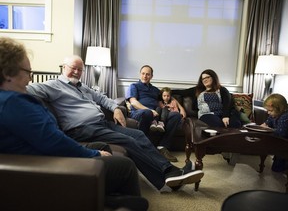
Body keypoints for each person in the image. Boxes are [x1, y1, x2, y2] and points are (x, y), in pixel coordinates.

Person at [0, 37, 150, 211]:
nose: (30, 78)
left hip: (48, 152)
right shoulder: (14, 103)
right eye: (27, 71)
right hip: (50, 164)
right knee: (125, 166)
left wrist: (114, 110)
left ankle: (105, 198)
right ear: (7, 74)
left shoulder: (11, 100)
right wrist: (93, 153)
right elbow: (54, 142)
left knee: (104, 145)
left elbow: (50, 138)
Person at [26, 55, 204, 192]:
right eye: (73, 69)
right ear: (64, 67)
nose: (76, 73)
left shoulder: (82, 86)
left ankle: (170, 173)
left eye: (80, 70)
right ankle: (169, 174)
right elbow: (26, 88)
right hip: (81, 129)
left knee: (139, 135)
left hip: (101, 124)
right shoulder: (53, 85)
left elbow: (102, 98)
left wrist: (116, 108)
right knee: (129, 141)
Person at [126, 65, 182, 162]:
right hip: (140, 113)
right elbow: (133, 102)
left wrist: (180, 107)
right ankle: (144, 148)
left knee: (176, 115)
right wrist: (150, 110)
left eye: (148, 74)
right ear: (140, 74)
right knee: (147, 113)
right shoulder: (134, 86)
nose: (145, 76)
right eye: (143, 74)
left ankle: (162, 147)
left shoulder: (155, 90)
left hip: (157, 114)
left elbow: (169, 95)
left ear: (151, 76)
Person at [261, 93, 288, 172]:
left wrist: (269, 129)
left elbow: (281, 133)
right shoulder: (274, 115)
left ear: (280, 109)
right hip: (279, 142)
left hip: (285, 143)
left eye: (270, 110)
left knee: (278, 169)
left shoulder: (285, 117)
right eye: (267, 110)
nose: (268, 112)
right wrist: (260, 127)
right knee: (276, 168)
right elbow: (266, 123)